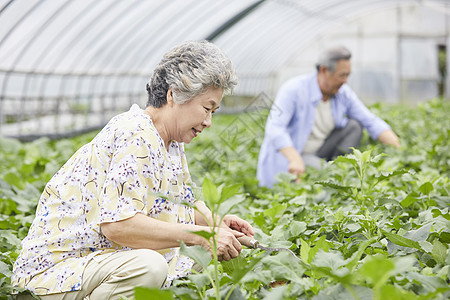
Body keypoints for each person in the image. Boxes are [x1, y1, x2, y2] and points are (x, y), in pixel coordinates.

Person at [12, 40, 254, 300]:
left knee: (201, 254)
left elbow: (180, 204)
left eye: (214, 112)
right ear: (174, 95)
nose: (208, 122)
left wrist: (217, 225)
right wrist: (201, 235)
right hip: (55, 275)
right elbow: (118, 227)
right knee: (150, 267)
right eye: (207, 108)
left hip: (102, 263)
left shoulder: (171, 143)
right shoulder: (136, 134)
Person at [257, 46, 400, 187]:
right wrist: (294, 158)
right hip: (293, 157)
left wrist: (397, 148)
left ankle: (337, 169)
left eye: (348, 75)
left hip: (320, 150)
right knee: (326, 176)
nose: (346, 80)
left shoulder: (343, 92)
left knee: (354, 127)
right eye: (342, 75)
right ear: (324, 70)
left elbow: (369, 120)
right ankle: (329, 175)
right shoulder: (294, 90)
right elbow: (275, 128)